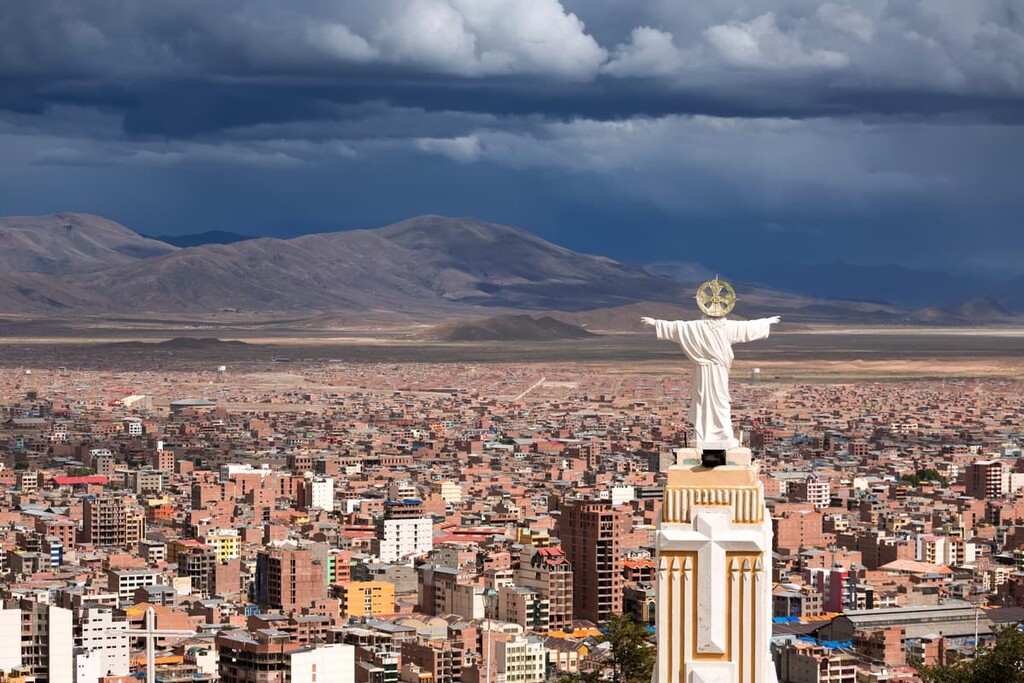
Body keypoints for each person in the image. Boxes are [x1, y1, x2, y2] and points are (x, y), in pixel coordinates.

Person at [641, 313, 780, 450]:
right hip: (704, 370)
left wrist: (765, 322)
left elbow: (746, 328)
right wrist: (656, 323)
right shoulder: (700, 326)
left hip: (718, 370)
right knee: (703, 400)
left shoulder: (719, 326)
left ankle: (723, 433)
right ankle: (703, 433)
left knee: (720, 400)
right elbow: (678, 327)